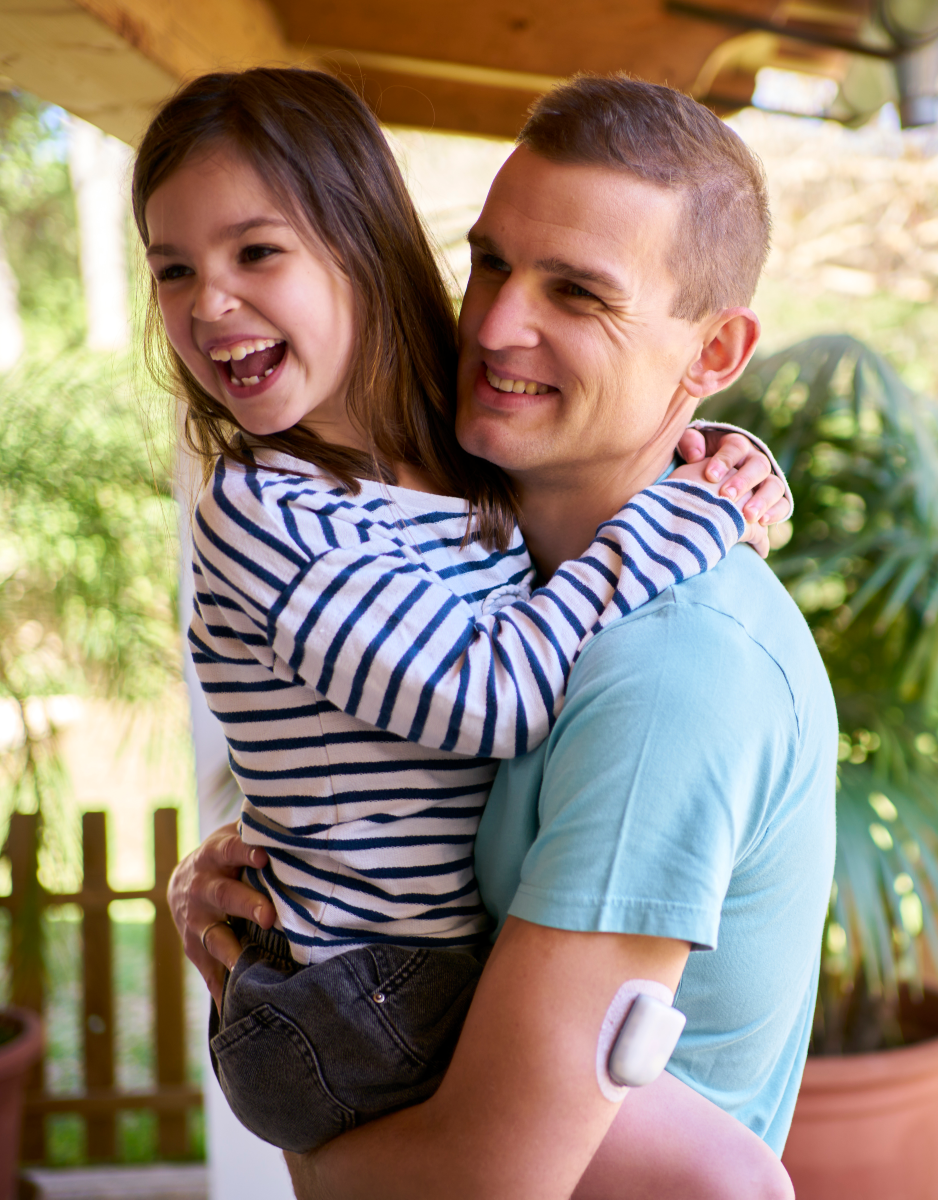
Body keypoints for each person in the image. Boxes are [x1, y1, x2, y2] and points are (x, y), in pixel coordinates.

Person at [165, 72, 818, 1198]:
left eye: (577, 293)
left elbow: (476, 1182)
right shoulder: (475, 518)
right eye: (491, 264)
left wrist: (304, 1125)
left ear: (711, 355)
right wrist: (237, 892)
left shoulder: (671, 675)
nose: (497, 325)